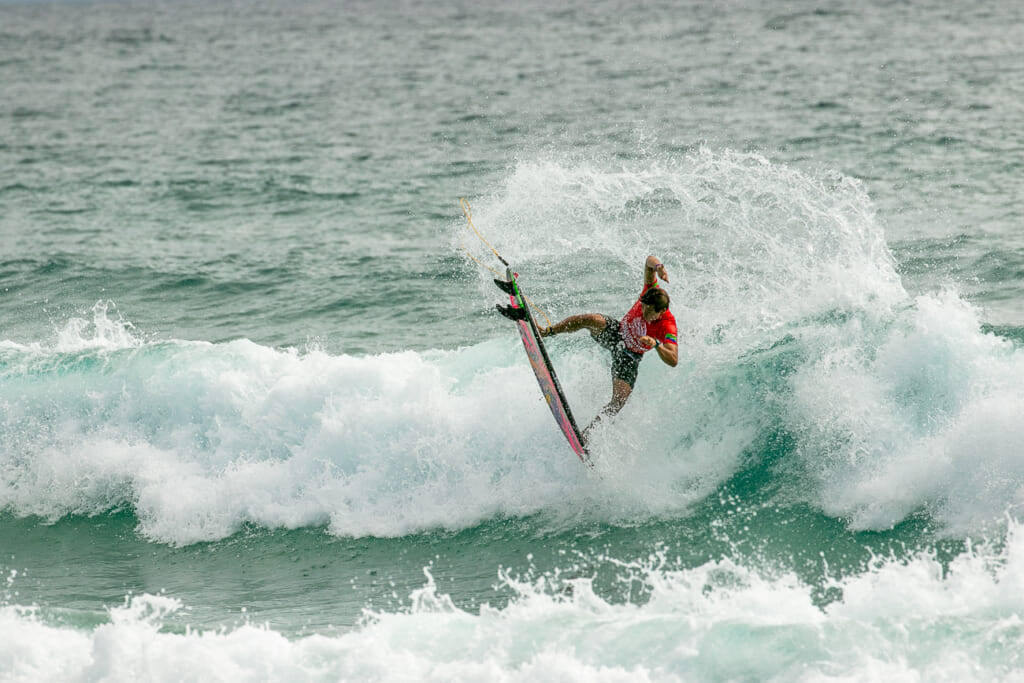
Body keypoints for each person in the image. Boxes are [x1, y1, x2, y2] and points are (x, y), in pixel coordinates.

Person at [540, 255, 678, 442]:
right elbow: (649, 261)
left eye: (649, 312)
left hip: (630, 357)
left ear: (660, 311)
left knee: (619, 401)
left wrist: (656, 345)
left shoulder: (668, 325)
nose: (644, 313)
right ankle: (546, 332)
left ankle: (586, 437)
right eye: (643, 307)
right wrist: (659, 266)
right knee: (591, 319)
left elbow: (673, 359)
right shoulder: (650, 290)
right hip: (617, 334)